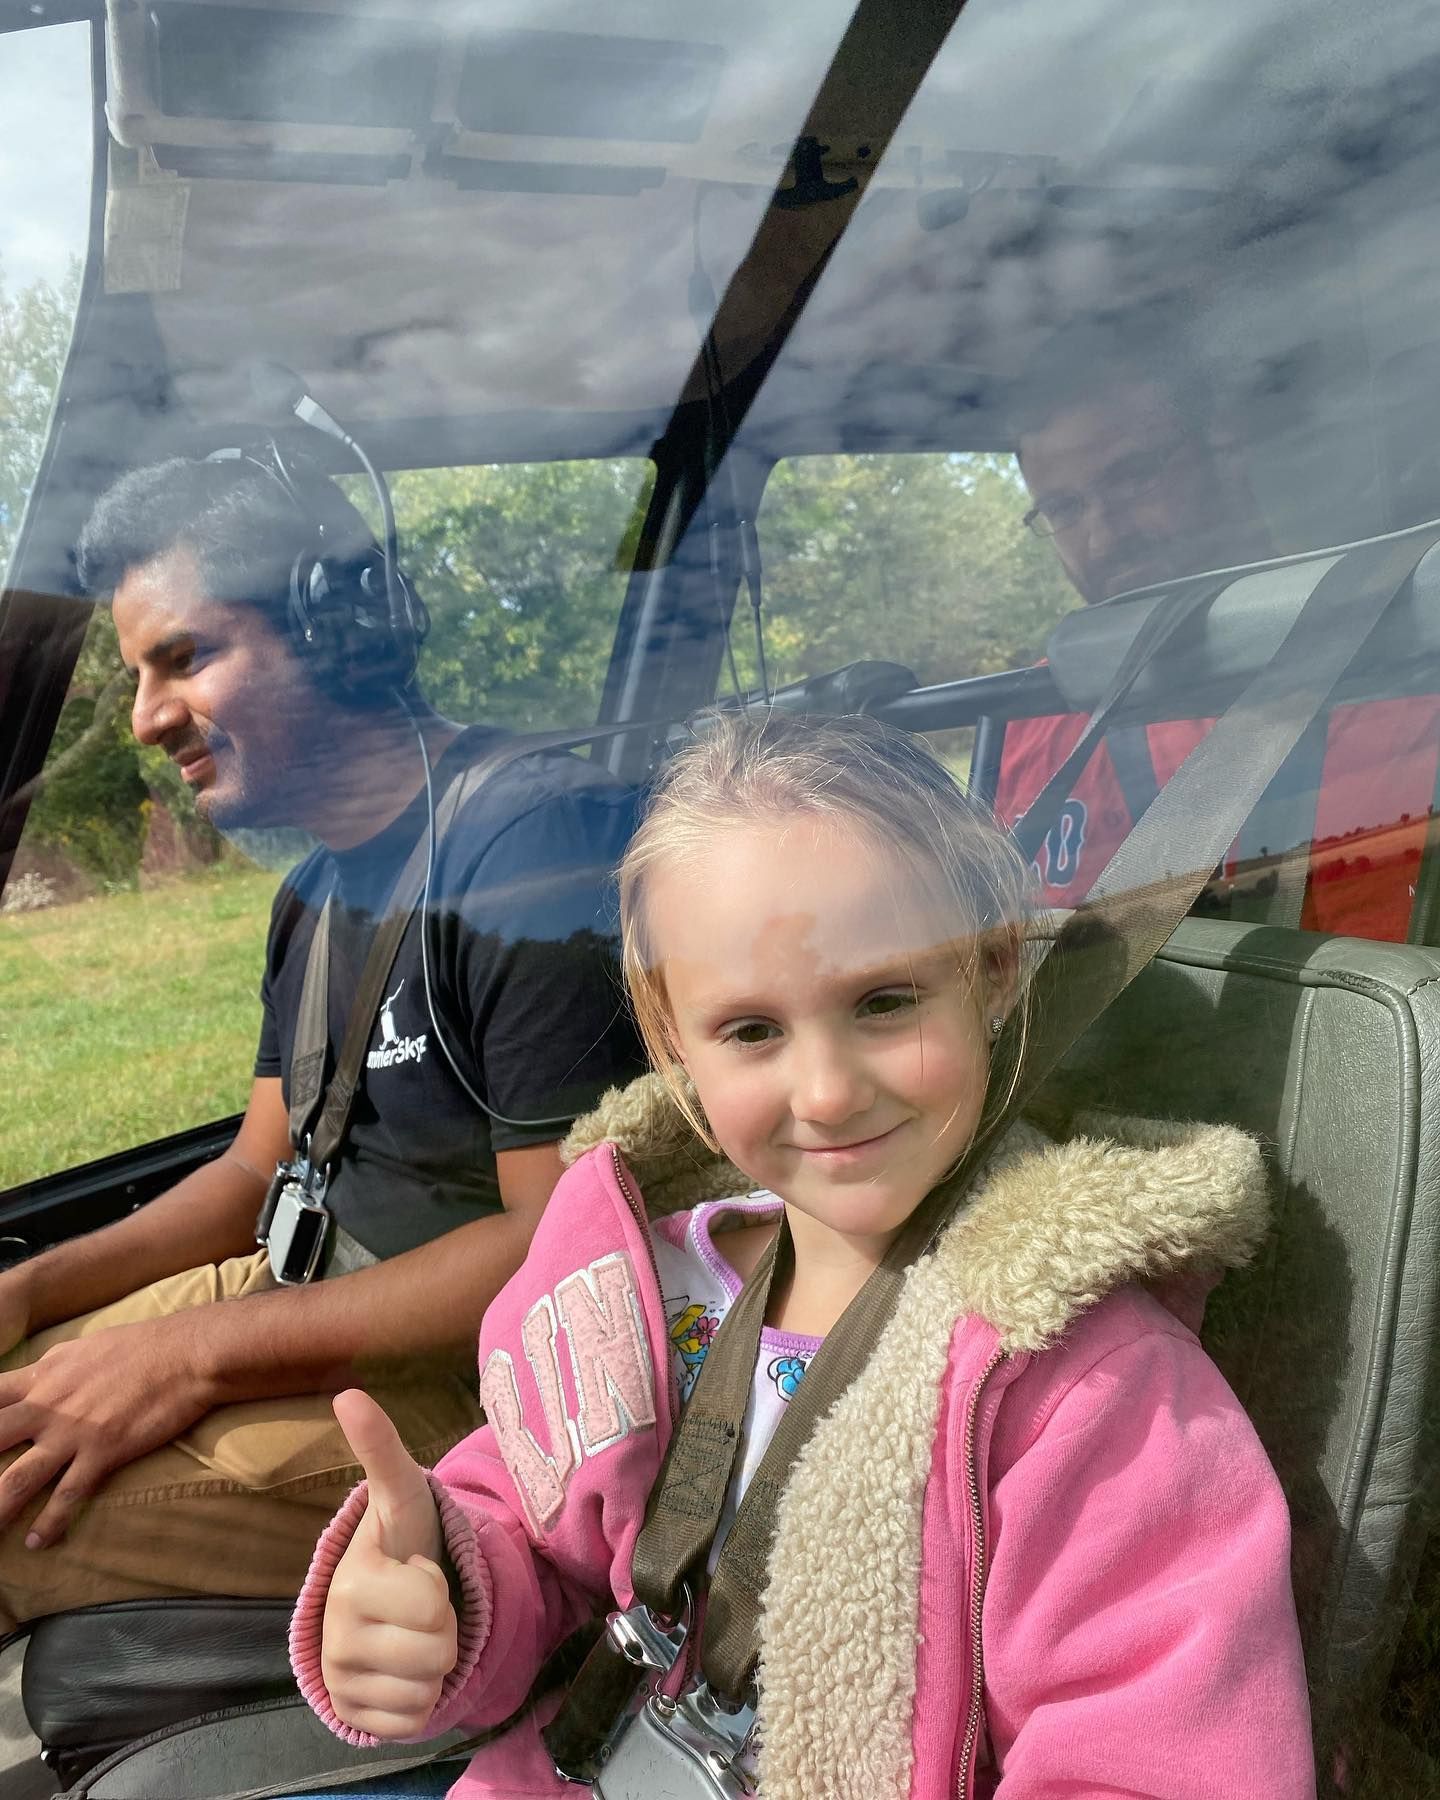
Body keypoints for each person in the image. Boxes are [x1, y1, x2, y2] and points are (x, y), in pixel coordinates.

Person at [288, 710, 1314, 1797]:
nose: (825, 1092)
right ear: (671, 1032)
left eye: (884, 1002)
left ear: (996, 969)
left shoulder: (1089, 1390)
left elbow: (1156, 1760)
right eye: (752, 1031)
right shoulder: (636, 1294)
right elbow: (531, 1531)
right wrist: (439, 1592)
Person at [0, 451, 644, 1631]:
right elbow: (255, 1171)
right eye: (140, 673)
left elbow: (555, 1251)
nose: (146, 719)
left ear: (337, 628)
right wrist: (32, 1287)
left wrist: (191, 1355)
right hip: (301, 1300)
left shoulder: (528, 843)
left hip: (478, 1390)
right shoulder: (313, 896)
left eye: (184, 659)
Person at [1000, 321, 1440, 940]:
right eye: (1065, 508)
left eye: (1135, 476)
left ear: (1225, 448)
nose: (1104, 536)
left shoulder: (1399, 660)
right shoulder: (1035, 716)